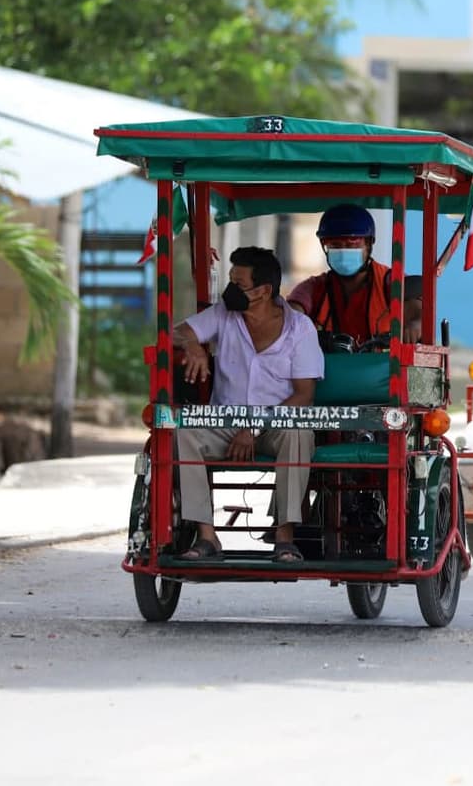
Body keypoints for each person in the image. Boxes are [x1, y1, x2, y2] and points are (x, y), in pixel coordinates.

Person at [174, 246, 324, 563]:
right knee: (184, 432)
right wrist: (194, 346)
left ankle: (284, 538)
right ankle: (206, 536)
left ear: (264, 290)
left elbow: (303, 395)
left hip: (276, 425)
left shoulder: (300, 328)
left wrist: (254, 427)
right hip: (224, 422)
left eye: (238, 284)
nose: (230, 290)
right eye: (230, 281)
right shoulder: (223, 314)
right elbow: (178, 331)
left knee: (298, 434)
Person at [288, 203, 422, 345]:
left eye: (352, 245)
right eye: (335, 245)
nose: (343, 250)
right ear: (324, 247)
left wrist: (416, 325)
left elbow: (417, 313)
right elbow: (291, 316)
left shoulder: (389, 282)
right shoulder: (313, 289)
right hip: (325, 367)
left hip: (383, 366)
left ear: (369, 244)